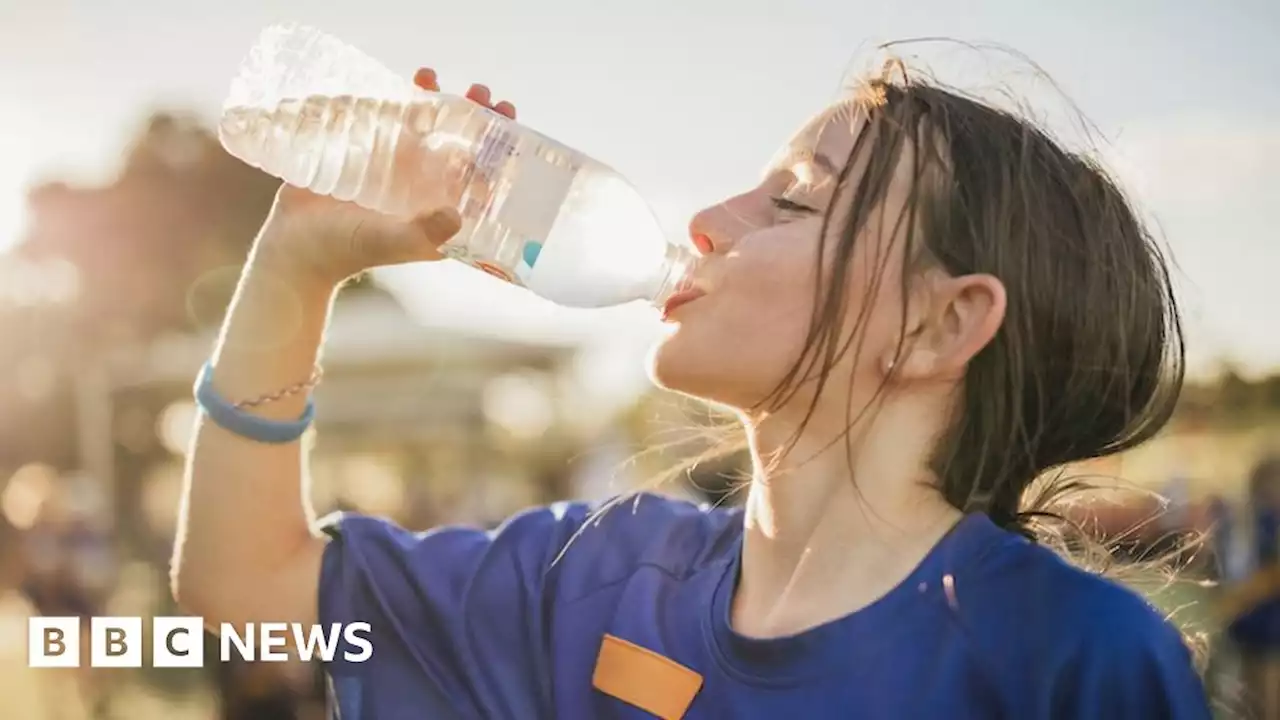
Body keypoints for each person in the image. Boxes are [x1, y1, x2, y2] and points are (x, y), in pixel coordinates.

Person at [171, 58, 1211, 719]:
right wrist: (296, 266)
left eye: (791, 202)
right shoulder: (596, 577)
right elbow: (246, 585)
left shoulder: (1070, 663)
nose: (708, 217)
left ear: (939, 323)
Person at [1221, 457, 1280, 718]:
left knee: (1265, 701)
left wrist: (1240, 598)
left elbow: (1272, 574)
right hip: (1251, 625)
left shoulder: (1267, 521)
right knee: (1248, 700)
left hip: (1268, 627)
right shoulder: (1253, 519)